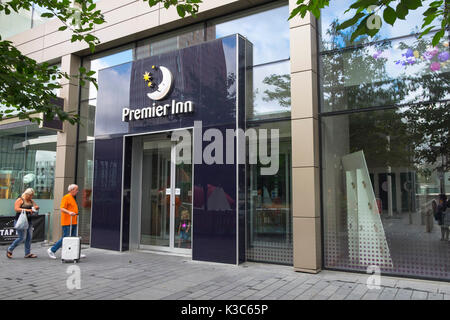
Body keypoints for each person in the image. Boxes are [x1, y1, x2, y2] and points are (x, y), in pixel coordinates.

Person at [47, 184, 84, 259]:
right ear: (72, 190)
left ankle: (75, 252)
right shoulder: (66, 197)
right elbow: (62, 208)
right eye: (76, 190)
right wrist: (69, 212)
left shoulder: (72, 198)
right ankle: (52, 250)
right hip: (67, 221)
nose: (77, 191)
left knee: (74, 238)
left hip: (73, 221)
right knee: (66, 237)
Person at [6, 188, 39, 259]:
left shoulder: (31, 201)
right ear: (27, 194)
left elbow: (35, 206)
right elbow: (16, 209)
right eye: (30, 195)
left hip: (29, 221)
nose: (31, 197)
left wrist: (36, 208)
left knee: (29, 237)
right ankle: (10, 249)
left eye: (32, 195)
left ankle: (27, 253)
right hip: (20, 221)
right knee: (22, 237)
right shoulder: (20, 200)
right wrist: (27, 210)